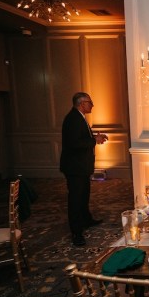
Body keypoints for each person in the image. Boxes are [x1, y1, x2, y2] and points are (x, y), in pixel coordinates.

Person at [60, 92, 108, 247]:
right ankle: (76, 232)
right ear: (81, 103)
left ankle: (86, 220)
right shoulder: (72, 119)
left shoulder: (79, 117)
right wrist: (94, 140)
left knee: (84, 195)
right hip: (75, 167)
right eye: (90, 102)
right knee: (75, 199)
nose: (92, 105)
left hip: (81, 167)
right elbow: (74, 144)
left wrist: (94, 138)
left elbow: (81, 138)